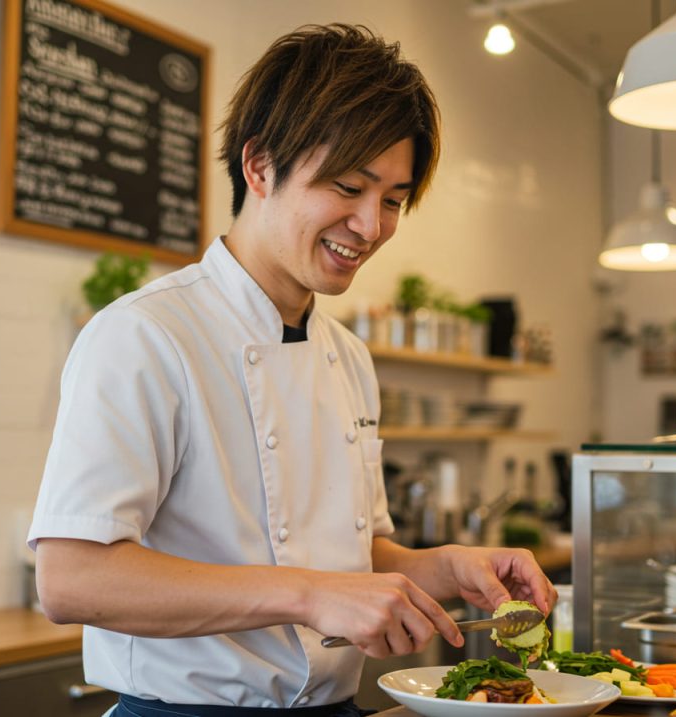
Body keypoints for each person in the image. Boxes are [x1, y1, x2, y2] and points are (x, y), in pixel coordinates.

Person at [28, 23, 556, 716]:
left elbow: (356, 556)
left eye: (393, 200)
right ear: (259, 166)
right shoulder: (145, 334)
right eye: (348, 186)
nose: (371, 226)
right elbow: (70, 578)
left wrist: (448, 564)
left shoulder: (348, 356)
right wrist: (308, 592)